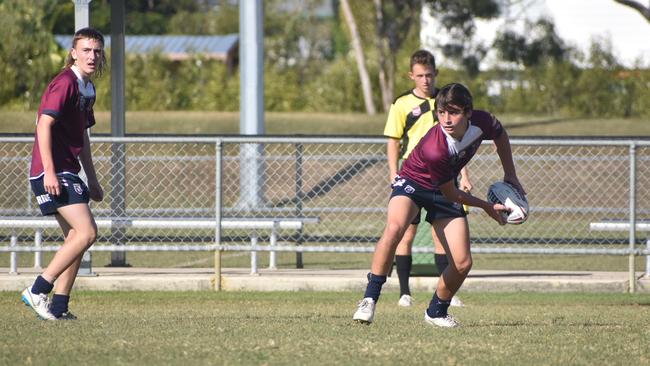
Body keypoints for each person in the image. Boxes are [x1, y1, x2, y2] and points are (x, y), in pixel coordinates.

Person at [353, 82, 525, 327]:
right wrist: (486, 206)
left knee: (463, 262)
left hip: (444, 189)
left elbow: (500, 134)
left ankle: (436, 311)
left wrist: (511, 174)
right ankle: (369, 299)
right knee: (395, 228)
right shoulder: (437, 148)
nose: (446, 119)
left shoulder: (482, 122)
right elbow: (453, 194)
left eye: (453, 112)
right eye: (441, 112)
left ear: (467, 112)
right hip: (414, 183)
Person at [21, 27, 106, 320]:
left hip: (69, 170)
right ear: (73, 53)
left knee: (75, 239)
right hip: (52, 171)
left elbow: (82, 137)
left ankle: (58, 307)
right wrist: (50, 172)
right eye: (85, 50)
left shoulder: (88, 88)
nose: (92, 56)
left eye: (96, 50)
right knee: (87, 232)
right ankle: (37, 289)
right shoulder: (65, 83)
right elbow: (43, 125)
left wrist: (92, 178)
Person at [383, 50, 470, 308]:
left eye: (429, 75)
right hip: (413, 177)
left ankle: (445, 293)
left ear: (436, 74)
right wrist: (392, 173)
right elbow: (393, 140)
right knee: (405, 234)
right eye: (420, 75)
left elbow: (458, 143)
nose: (425, 80)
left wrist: (464, 175)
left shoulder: (446, 101)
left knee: (440, 235)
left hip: (444, 175)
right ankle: (404, 292)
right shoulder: (401, 104)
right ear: (412, 75)